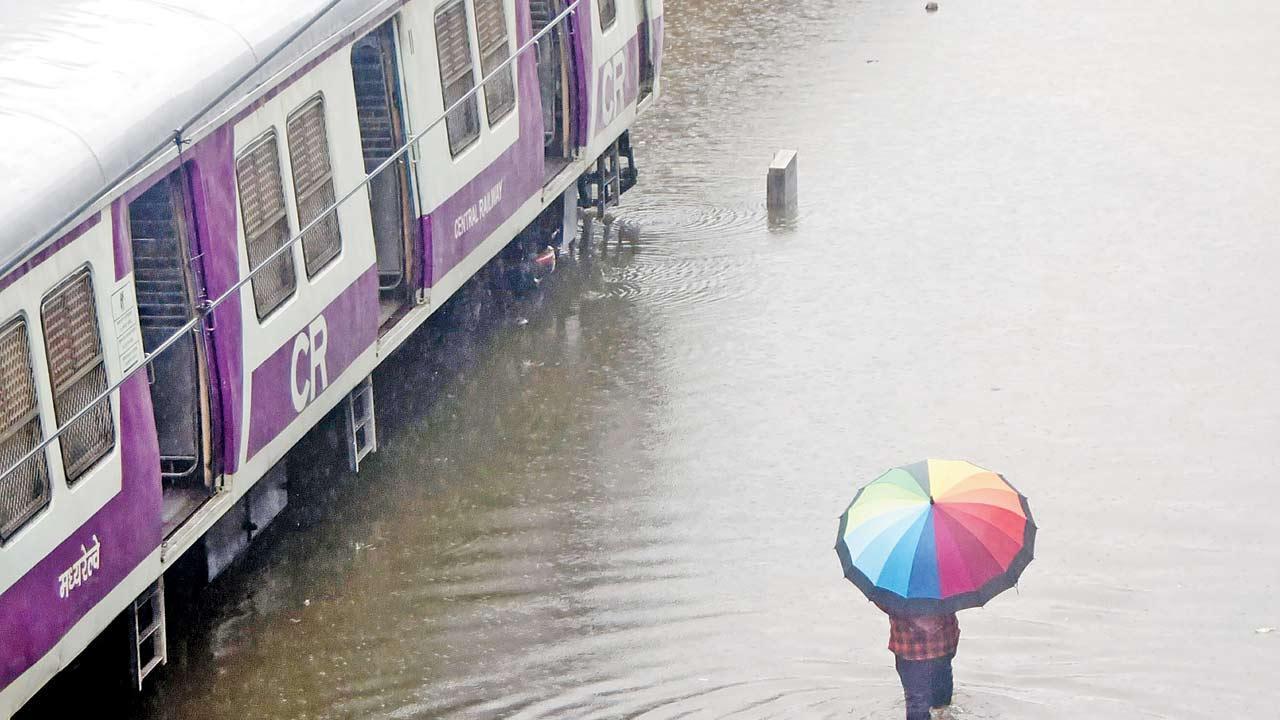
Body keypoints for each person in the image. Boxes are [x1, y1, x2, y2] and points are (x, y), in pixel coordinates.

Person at [878, 605, 959, 720]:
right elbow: (956, 599)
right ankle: (941, 712)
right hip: (943, 643)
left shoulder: (898, 589)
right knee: (941, 700)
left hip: (910, 647)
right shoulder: (945, 587)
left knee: (917, 701)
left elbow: (885, 602)